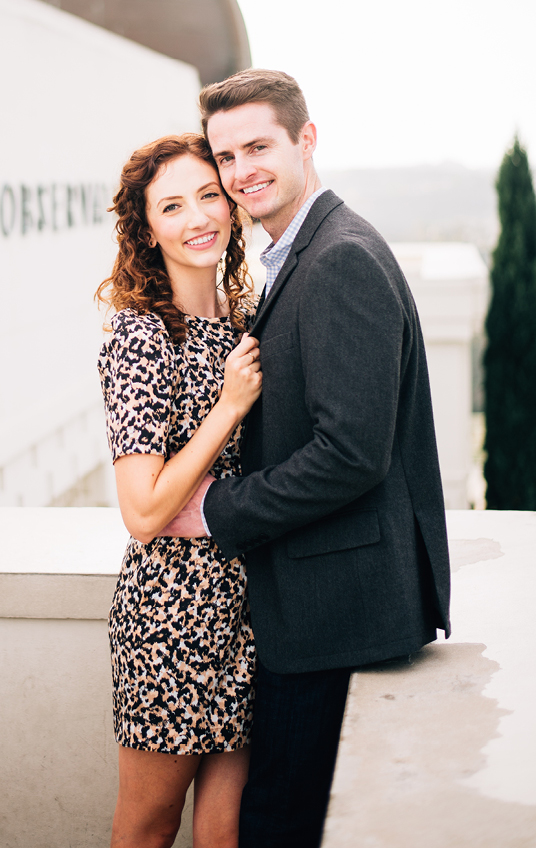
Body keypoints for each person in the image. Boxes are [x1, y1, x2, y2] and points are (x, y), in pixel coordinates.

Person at [172, 69, 452, 847]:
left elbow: (350, 454)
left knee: (277, 827)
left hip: (337, 615)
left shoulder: (338, 260)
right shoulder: (303, 251)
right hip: (320, 607)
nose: (240, 172)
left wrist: (217, 513)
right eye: (226, 157)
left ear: (307, 140)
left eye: (258, 146)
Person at [96, 133, 263, 848]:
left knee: (227, 829)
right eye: (172, 206)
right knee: (149, 825)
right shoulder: (140, 336)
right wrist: (228, 406)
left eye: (207, 195)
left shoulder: (247, 315)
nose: (197, 217)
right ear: (149, 228)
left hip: (251, 608)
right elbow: (142, 510)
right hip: (170, 616)